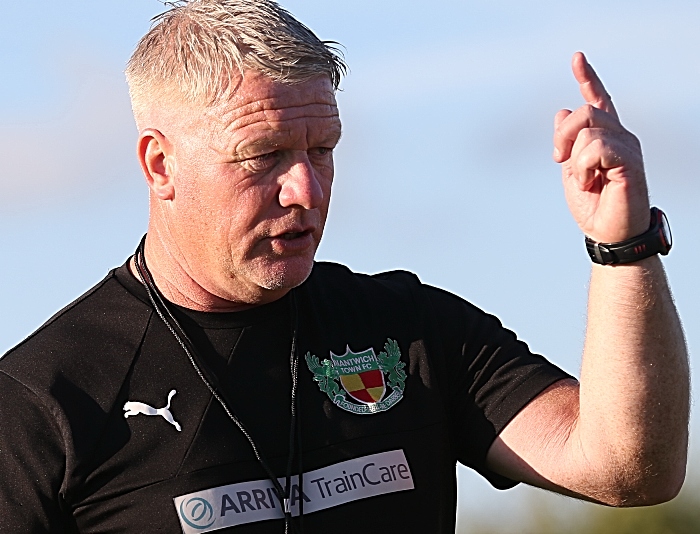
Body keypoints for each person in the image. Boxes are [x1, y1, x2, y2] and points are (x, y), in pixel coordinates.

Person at [0, 0, 689, 532]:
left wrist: (622, 247)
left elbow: (631, 468)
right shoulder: (42, 402)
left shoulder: (410, 330)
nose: (307, 189)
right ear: (160, 163)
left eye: (322, 149)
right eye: (264, 155)